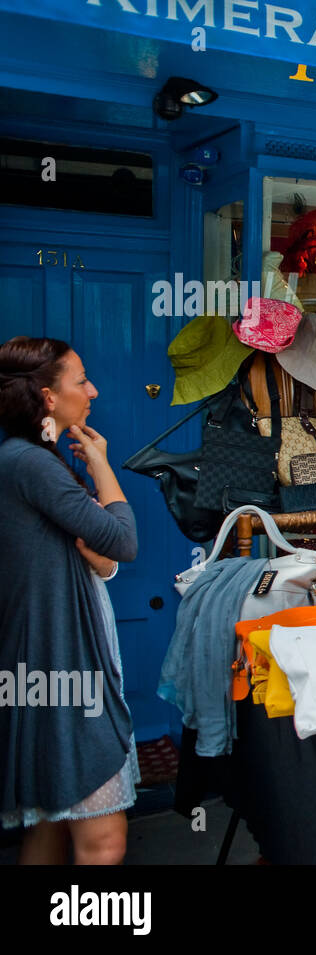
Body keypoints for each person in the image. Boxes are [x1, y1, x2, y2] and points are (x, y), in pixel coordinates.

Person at [0, 336, 139, 864]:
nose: (94, 391)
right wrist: (102, 464)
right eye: (81, 381)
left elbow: (99, 556)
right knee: (102, 840)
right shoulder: (32, 464)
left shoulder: (30, 461)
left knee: (51, 827)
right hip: (60, 667)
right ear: (48, 397)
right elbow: (121, 541)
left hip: (43, 668)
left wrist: (98, 554)